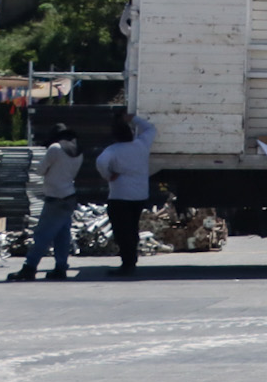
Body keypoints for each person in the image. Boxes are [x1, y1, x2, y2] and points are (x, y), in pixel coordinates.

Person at [9, 126, 82, 282]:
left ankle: (29, 268)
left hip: (55, 198)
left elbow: (40, 170)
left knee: (43, 235)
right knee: (62, 235)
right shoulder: (78, 152)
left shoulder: (55, 148)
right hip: (70, 196)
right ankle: (61, 268)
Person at [94, 113, 157, 274]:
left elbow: (100, 162)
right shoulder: (141, 145)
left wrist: (108, 175)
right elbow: (150, 129)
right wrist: (133, 118)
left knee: (122, 231)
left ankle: (127, 263)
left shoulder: (113, 150)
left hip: (119, 195)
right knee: (133, 229)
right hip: (140, 195)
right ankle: (131, 260)